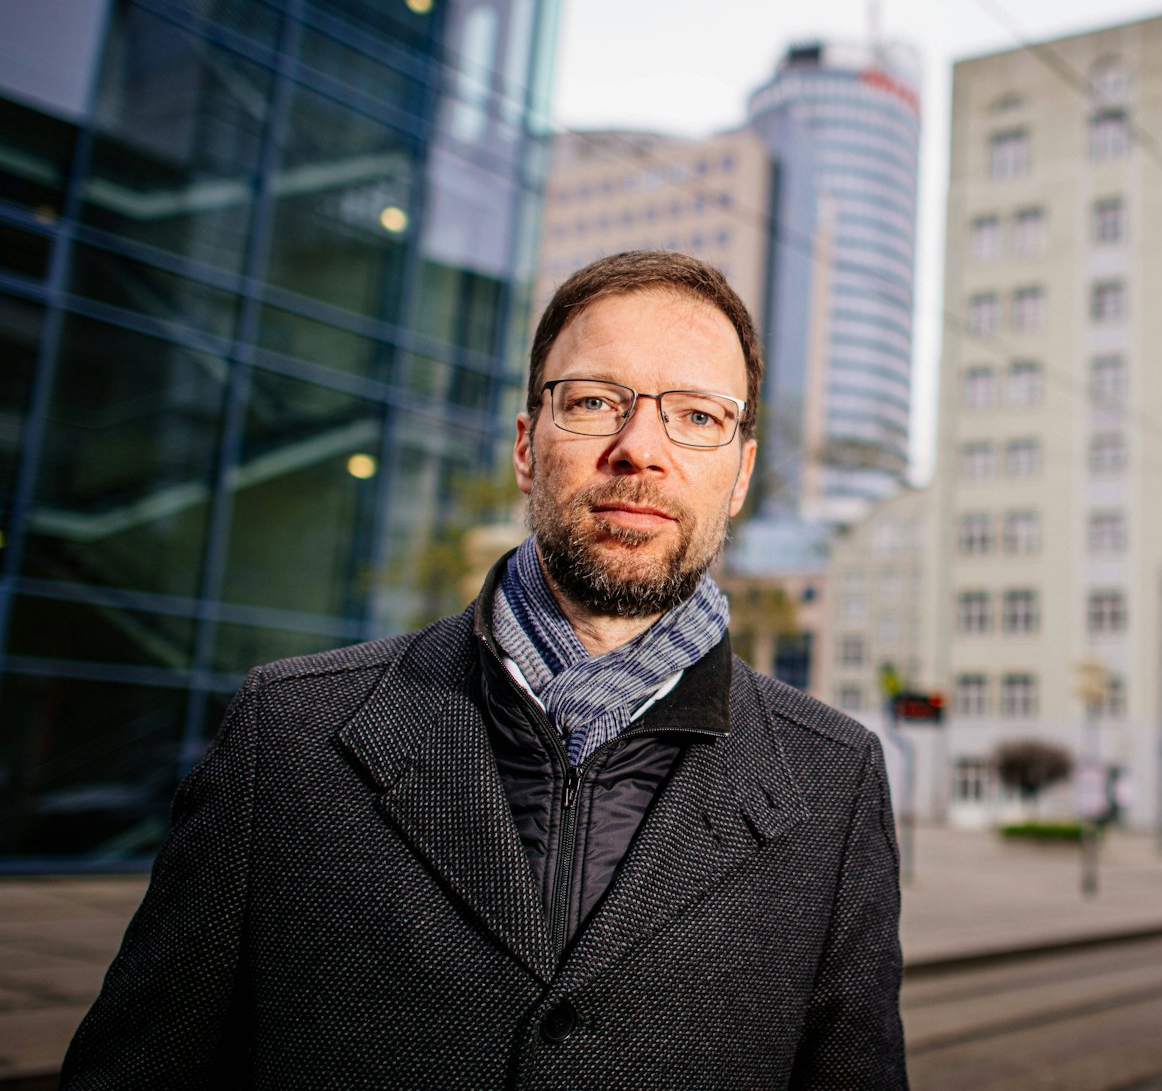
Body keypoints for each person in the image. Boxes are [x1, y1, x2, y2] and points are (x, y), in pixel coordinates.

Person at [64, 251, 908, 1089]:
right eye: (592, 402)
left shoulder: (834, 783)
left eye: (696, 416)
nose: (639, 448)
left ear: (740, 475)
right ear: (525, 447)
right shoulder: (288, 735)